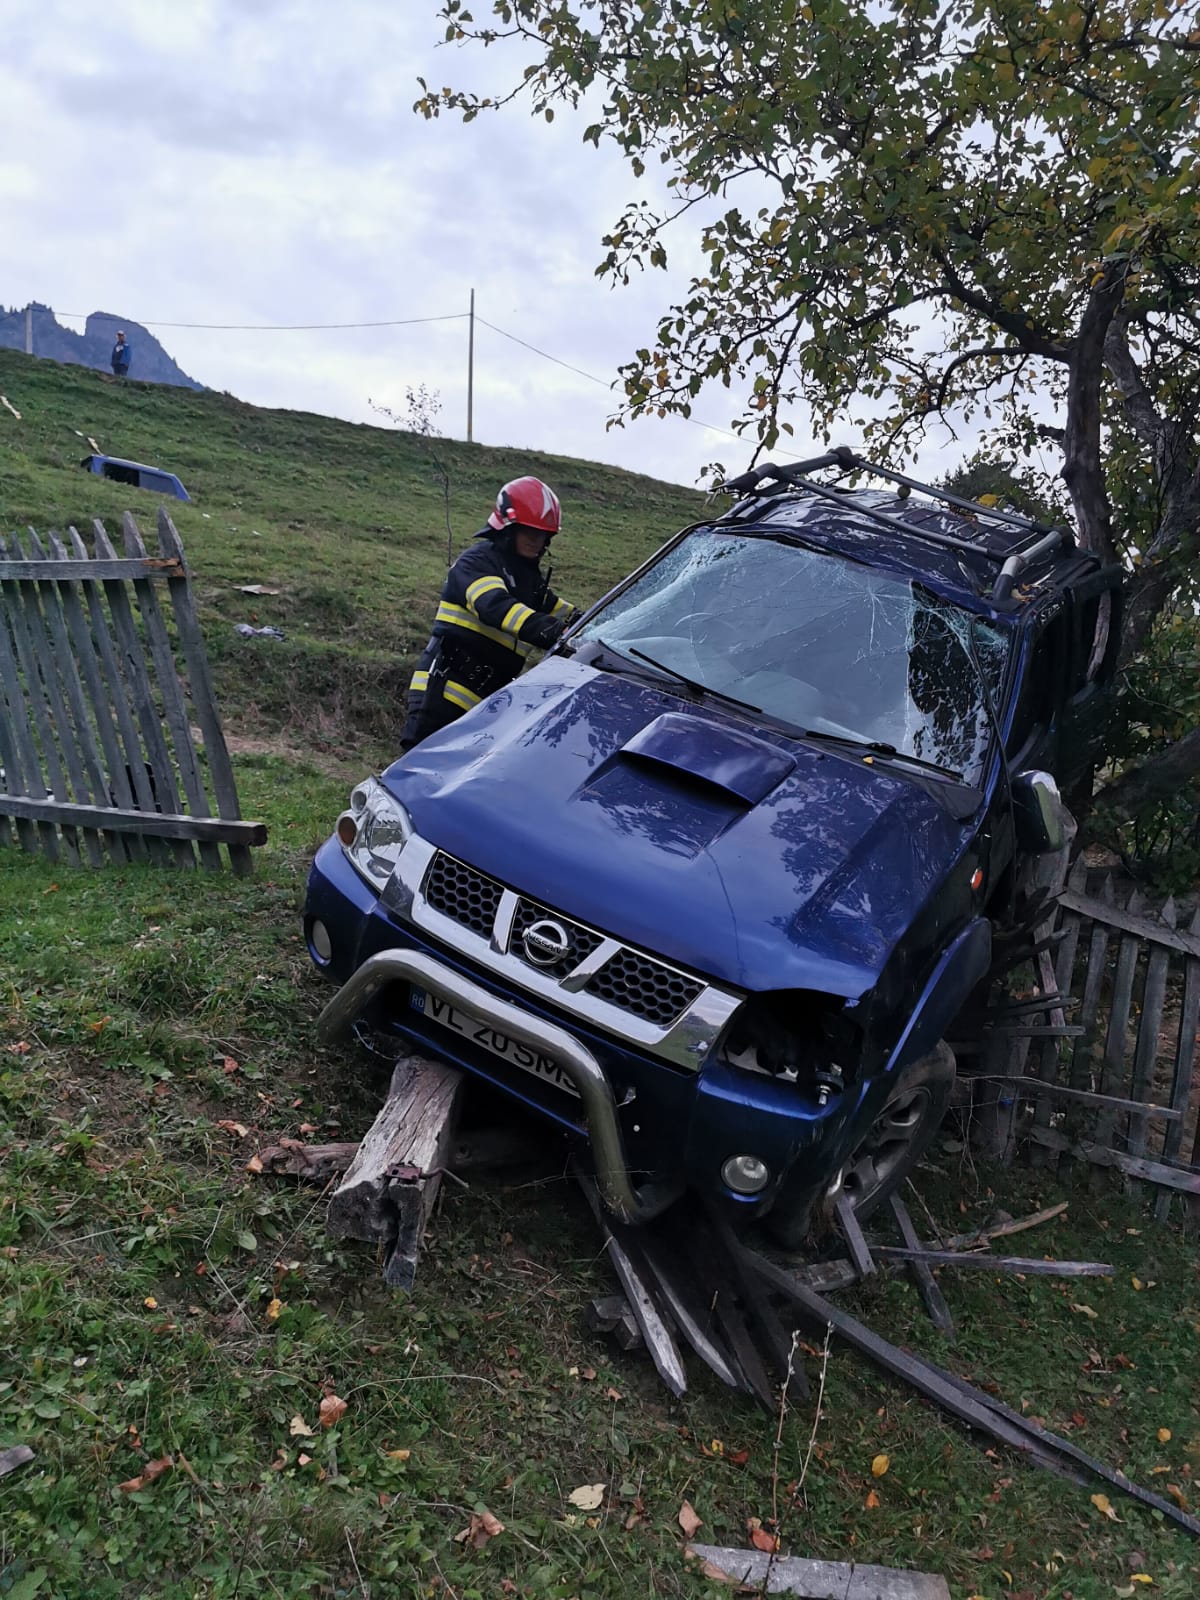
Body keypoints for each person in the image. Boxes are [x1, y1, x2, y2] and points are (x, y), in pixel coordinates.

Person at [401, 476, 578, 750]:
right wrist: (557, 632)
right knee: (419, 771)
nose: (537, 540)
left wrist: (605, 627)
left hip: (489, 704)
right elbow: (495, 606)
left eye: (543, 534)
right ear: (508, 527)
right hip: (444, 692)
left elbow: (568, 615)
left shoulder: (529, 581)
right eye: (530, 531)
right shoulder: (478, 562)